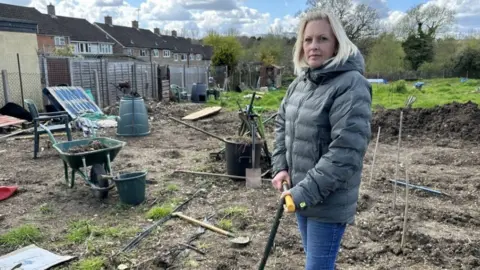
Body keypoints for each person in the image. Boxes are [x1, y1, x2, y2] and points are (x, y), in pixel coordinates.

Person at [270, 8, 373, 270]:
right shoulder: (300, 83)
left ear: (337, 42)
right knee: (319, 263)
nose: (313, 46)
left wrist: (302, 193)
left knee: (317, 266)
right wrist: (281, 167)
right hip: (301, 194)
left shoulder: (351, 84)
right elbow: (282, 124)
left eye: (322, 39)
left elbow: (345, 152)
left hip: (327, 199)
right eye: (308, 40)